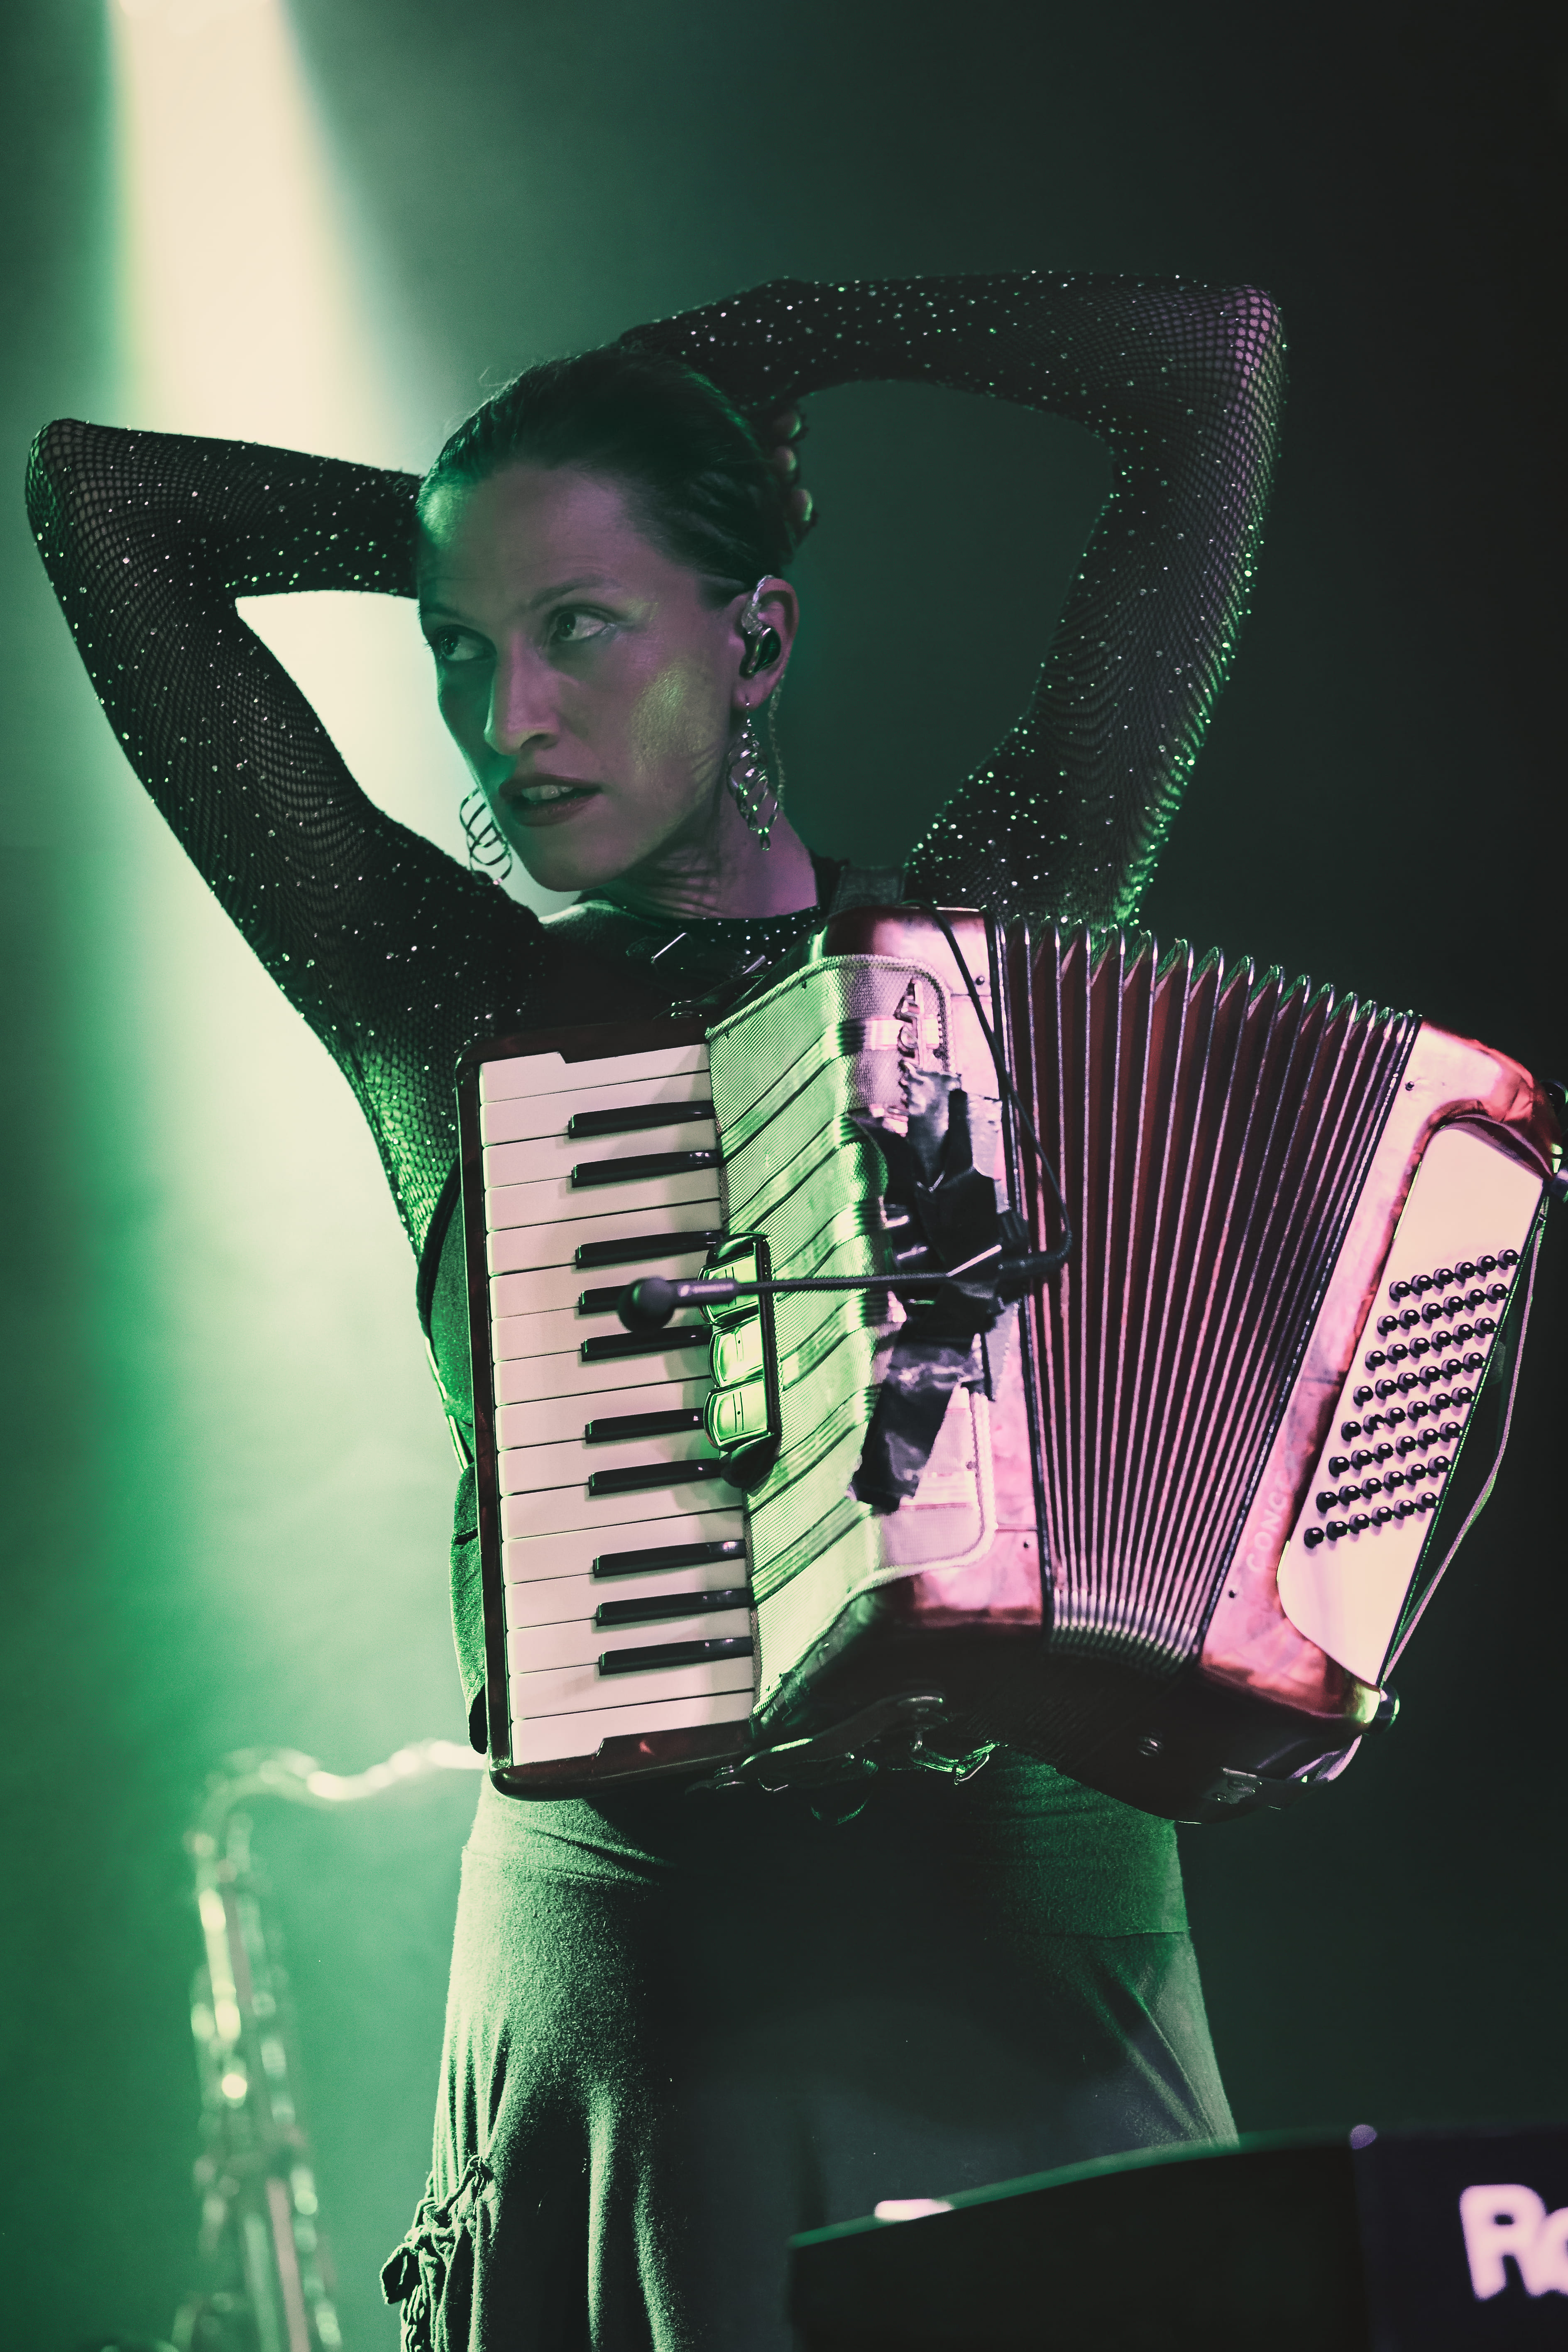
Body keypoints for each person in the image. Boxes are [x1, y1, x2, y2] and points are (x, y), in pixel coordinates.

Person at [29, 268, 1285, 2351]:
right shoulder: (438, 994)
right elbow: (102, 507)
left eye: (580, 633)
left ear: (759, 634)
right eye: (461, 651)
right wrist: (504, 521)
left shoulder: (1001, 924)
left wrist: (773, 346)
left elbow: (1209, 371)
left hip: (1035, 1944)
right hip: (652, 1983)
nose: (507, 718)